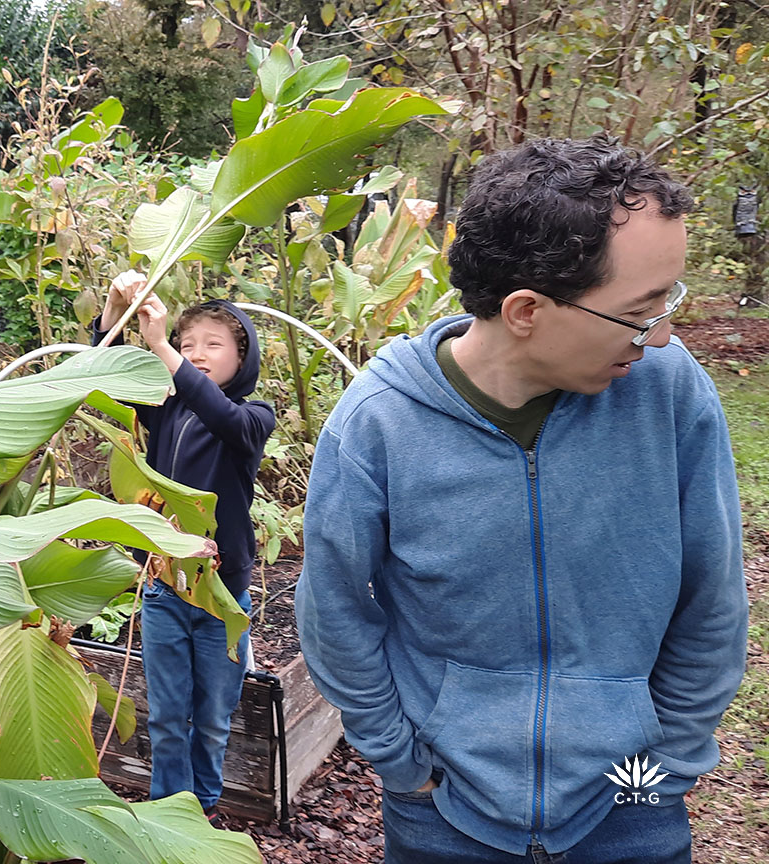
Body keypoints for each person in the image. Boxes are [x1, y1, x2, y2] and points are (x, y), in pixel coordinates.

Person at [295, 136, 748, 863]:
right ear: (527, 310)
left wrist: (658, 774)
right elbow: (334, 611)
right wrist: (404, 765)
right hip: (444, 811)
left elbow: (713, 596)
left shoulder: (669, 393)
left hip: (631, 802)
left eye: (669, 300)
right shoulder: (379, 420)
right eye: (641, 311)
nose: (662, 335)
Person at [92, 271, 275, 821]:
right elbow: (100, 374)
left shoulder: (252, 417)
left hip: (222, 596)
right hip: (164, 586)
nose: (196, 354)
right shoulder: (166, 409)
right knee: (168, 717)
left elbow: (221, 416)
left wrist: (163, 345)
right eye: (187, 343)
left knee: (215, 718)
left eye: (212, 344)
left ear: (243, 359)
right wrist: (113, 308)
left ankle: (206, 812)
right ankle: (168, 813)